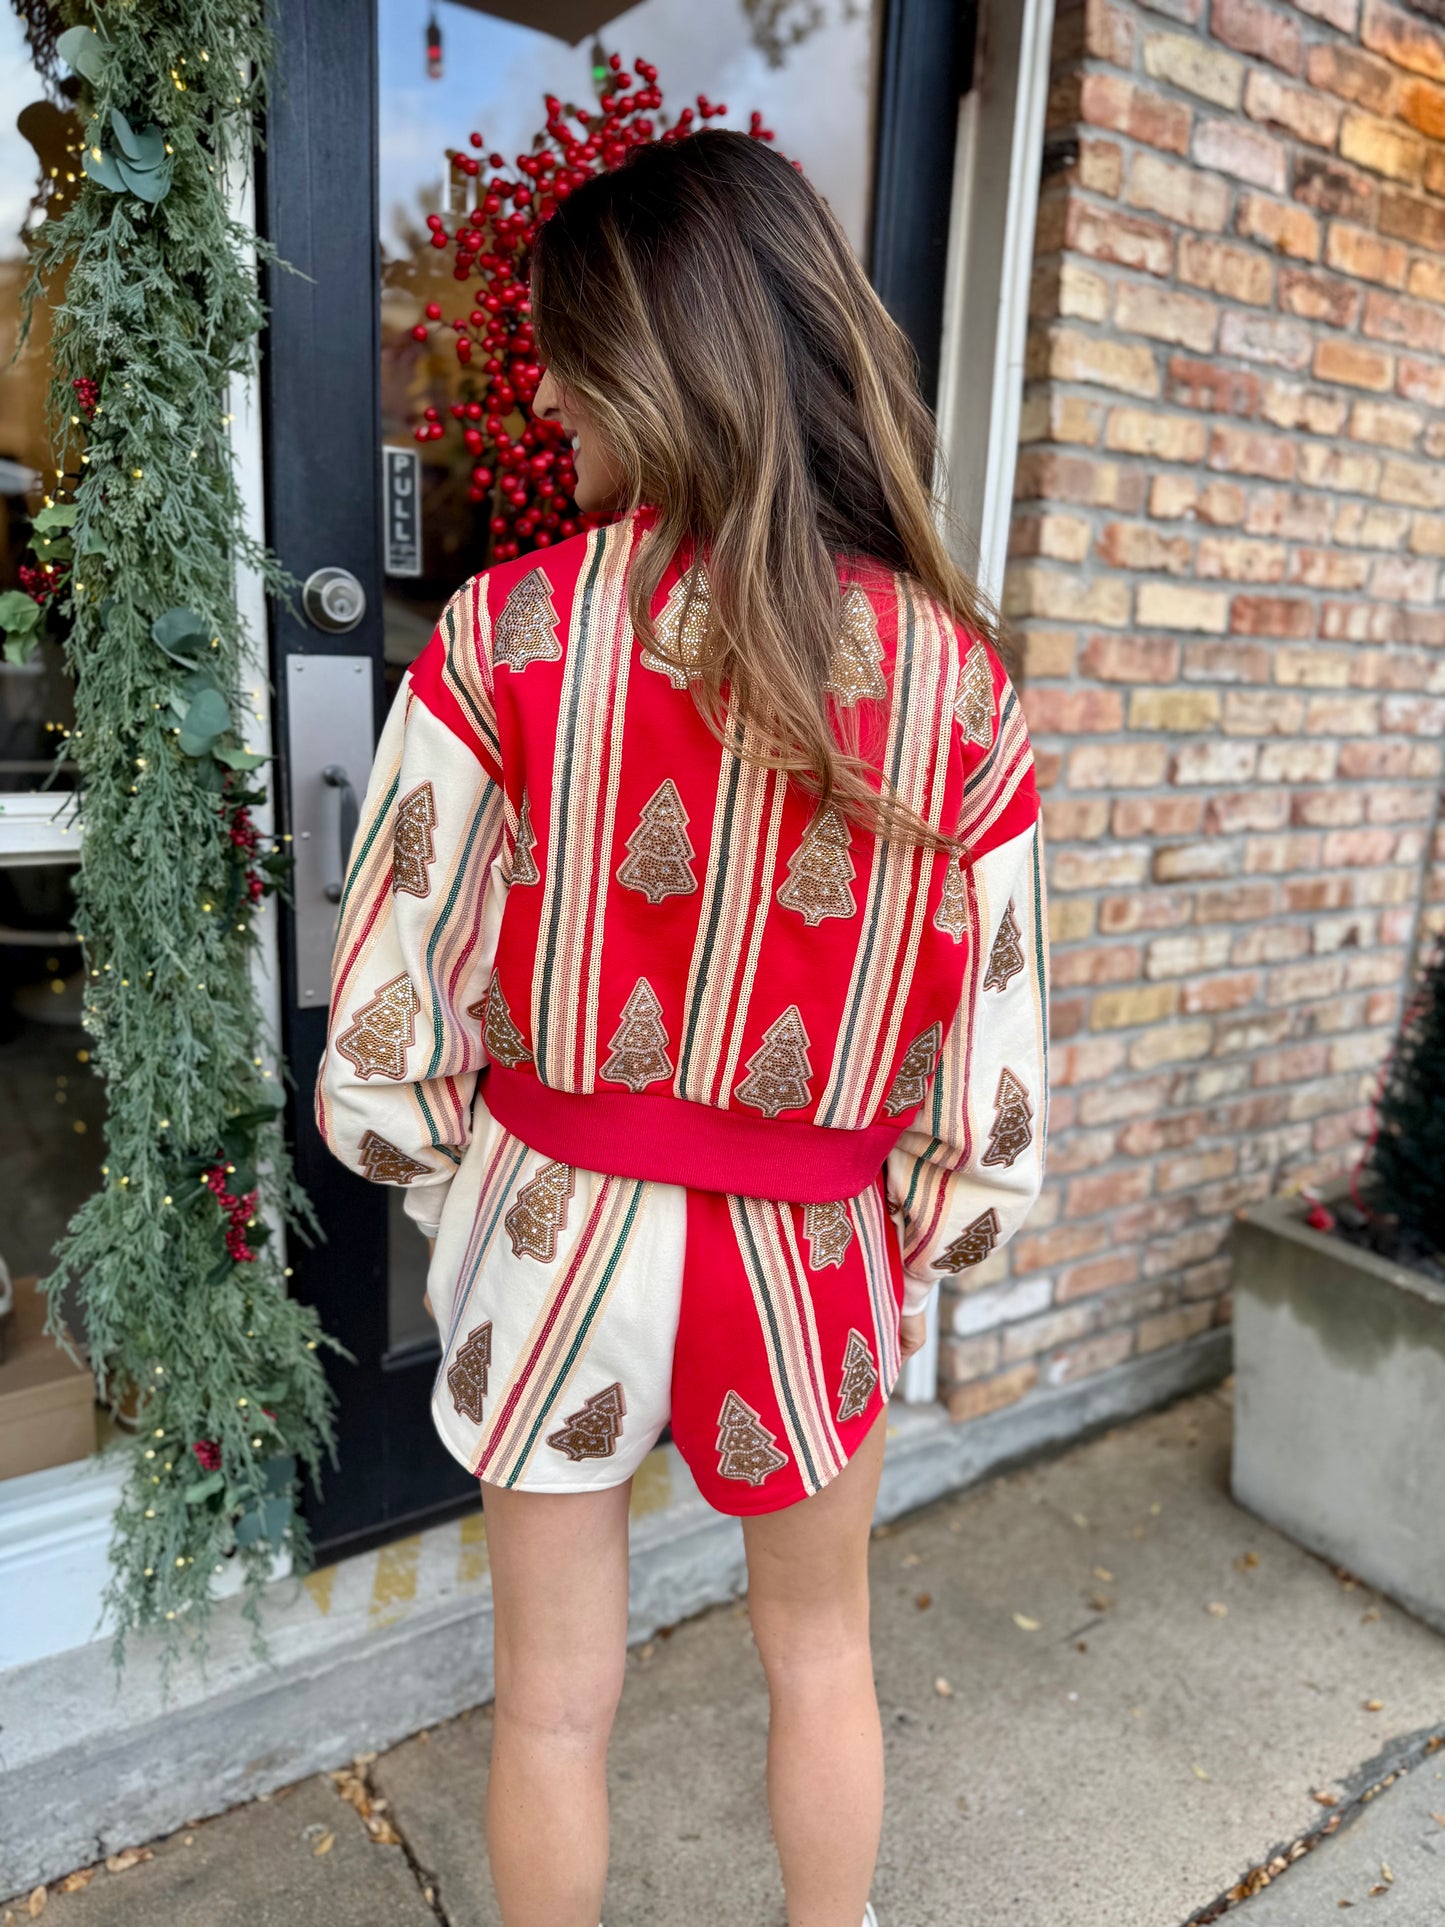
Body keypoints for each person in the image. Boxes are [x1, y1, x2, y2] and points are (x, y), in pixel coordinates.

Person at [319, 129, 1047, 1927]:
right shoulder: (958, 682)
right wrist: (921, 1221)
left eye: (565, 359)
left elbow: (386, 1004)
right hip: (806, 1239)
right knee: (820, 1658)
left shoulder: (504, 638)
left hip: (557, 1217)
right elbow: (997, 1053)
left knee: (553, 1709)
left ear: (638, 360)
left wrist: (447, 1181)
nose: (550, 399)